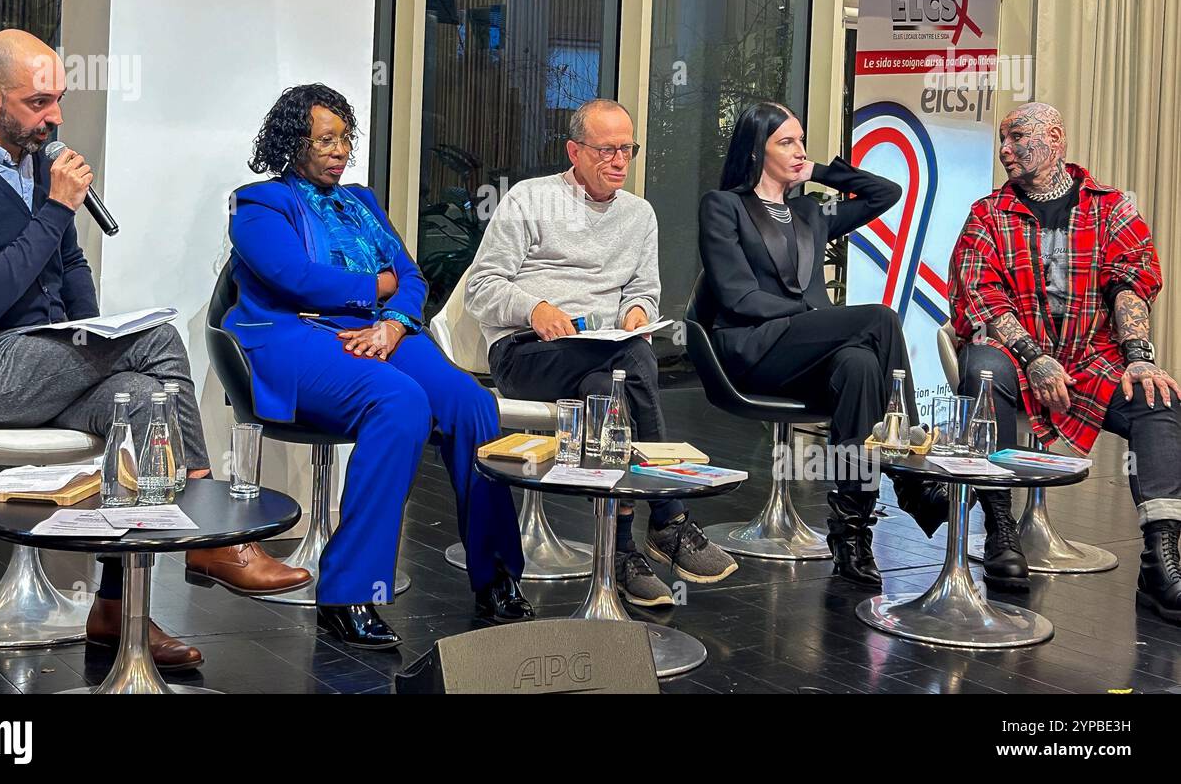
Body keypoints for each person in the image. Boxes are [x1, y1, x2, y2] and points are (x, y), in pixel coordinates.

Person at [0, 30, 310, 675]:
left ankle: (117, 608)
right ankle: (207, 526)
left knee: (142, 400)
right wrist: (58, 210)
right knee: (157, 338)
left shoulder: (39, 165)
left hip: (47, 364)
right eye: (39, 103)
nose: (55, 117)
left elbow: (70, 275)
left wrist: (94, 336)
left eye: (59, 100)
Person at [223, 83, 531, 649]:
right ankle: (348, 591)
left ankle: (495, 573)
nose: (339, 150)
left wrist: (393, 322)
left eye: (345, 138)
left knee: (472, 403)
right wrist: (375, 287)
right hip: (299, 331)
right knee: (399, 401)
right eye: (325, 140)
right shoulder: (258, 204)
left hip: (381, 329)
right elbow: (294, 277)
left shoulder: (361, 202)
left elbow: (412, 279)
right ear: (293, 144)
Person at [467, 99, 738, 608]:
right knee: (632, 364)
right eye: (607, 149)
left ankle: (619, 552)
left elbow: (644, 290)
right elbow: (481, 288)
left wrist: (637, 312)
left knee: (607, 388)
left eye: (627, 149)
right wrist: (534, 308)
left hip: (601, 356)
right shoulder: (530, 199)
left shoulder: (639, 215)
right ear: (574, 150)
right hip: (526, 353)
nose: (619, 160)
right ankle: (669, 514)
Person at [698, 102, 948, 587]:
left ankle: (851, 534)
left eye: (801, 141)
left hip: (808, 352)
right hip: (753, 348)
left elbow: (885, 193)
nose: (798, 150)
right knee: (879, 320)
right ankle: (910, 471)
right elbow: (737, 295)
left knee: (857, 366)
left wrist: (820, 170)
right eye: (786, 142)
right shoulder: (723, 205)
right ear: (757, 150)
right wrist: (817, 319)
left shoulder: (811, 210)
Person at [949, 102, 1181, 618]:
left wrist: (1140, 357)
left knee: (1158, 399)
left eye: (1018, 138)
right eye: (1002, 142)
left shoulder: (1112, 207)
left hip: (1090, 359)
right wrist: (1033, 356)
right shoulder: (987, 214)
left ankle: (1161, 558)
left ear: (1055, 138)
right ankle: (1001, 529)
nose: (1005, 150)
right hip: (1014, 353)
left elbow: (1131, 283)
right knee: (984, 368)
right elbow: (981, 297)